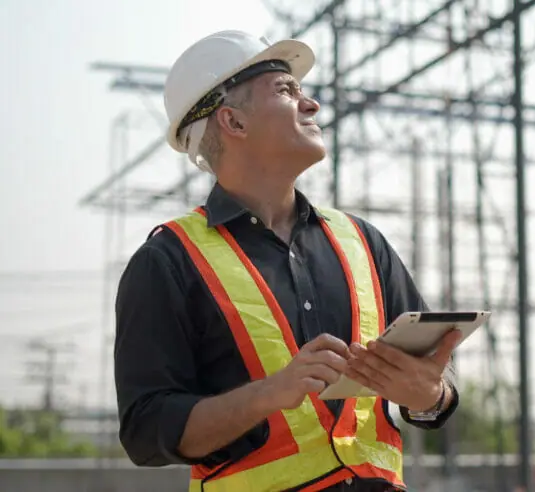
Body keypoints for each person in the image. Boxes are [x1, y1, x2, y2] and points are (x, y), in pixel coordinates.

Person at [113, 30, 461, 492]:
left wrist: (430, 397)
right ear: (233, 122)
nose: (311, 104)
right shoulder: (168, 262)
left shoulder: (363, 242)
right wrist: (269, 393)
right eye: (286, 90)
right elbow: (145, 432)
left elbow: (437, 381)